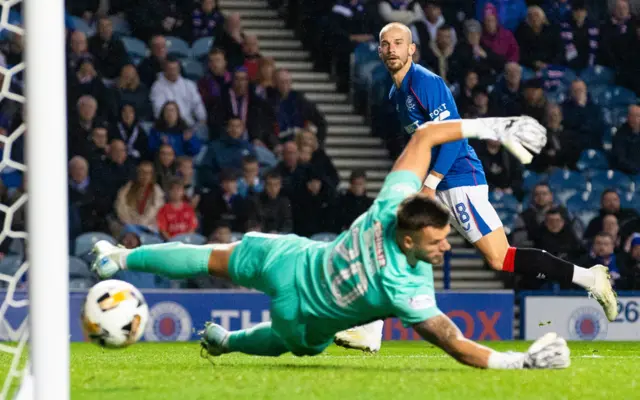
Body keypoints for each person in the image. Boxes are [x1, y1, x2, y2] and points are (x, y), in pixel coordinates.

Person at [92, 114, 572, 369]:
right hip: (303, 316)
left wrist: (492, 126)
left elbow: (426, 137)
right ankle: (227, 342)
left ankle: (120, 255)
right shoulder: (407, 290)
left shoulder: (390, 204)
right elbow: (458, 345)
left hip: (287, 259)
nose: (446, 247)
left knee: (206, 257)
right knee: (292, 346)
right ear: (408, 240)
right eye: (436, 241)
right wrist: (521, 363)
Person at [336, 22, 617, 353]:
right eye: (385, 44)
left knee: (499, 258)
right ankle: (372, 328)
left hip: (458, 180)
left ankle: (590, 278)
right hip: (443, 181)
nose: (392, 49)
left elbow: (455, 138)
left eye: (399, 42)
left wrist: (430, 184)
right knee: (394, 241)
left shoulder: (425, 83)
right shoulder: (396, 93)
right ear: (380, 50)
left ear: (412, 49)